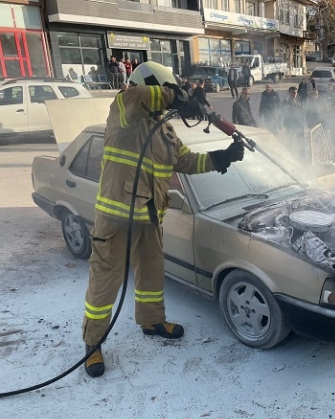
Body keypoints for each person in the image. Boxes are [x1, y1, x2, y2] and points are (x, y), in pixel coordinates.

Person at [81, 61, 245, 378]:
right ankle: (93, 344)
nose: (171, 97)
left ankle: (152, 321)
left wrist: (221, 157)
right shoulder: (124, 107)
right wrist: (177, 95)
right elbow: (144, 97)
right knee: (105, 283)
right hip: (116, 217)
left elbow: (185, 161)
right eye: (167, 90)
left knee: (152, 274)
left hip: (148, 215)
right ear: (154, 86)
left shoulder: (163, 128)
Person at [282, 86, 304, 158]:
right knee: (289, 141)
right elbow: (283, 113)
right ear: (289, 93)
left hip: (299, 124)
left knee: (301, 141)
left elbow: (301, 110)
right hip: (290, 125)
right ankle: (289, 156)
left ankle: (302, 156)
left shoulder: (298, 100)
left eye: (296, 92)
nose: (295, 94)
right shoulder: (285, 102)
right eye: (293, 92)